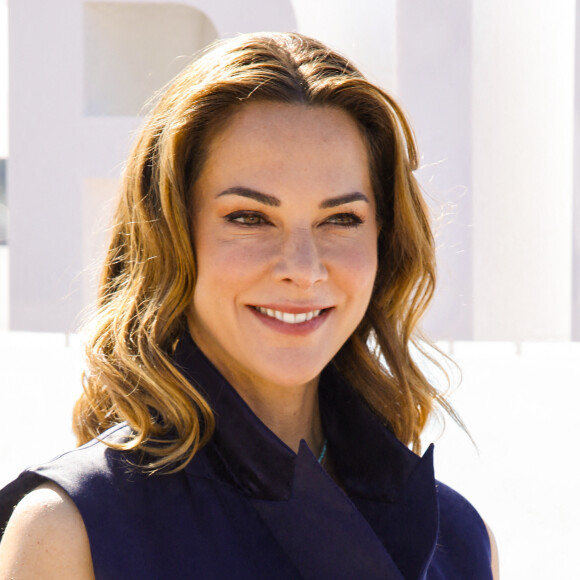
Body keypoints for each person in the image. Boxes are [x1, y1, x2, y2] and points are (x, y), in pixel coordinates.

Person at [0, 32, 499, 579]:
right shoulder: (73, 531)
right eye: (249, 217)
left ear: (384, 240)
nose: (303, 268)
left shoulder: (459, 539)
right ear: (171, 237)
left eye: (341, 219)